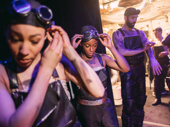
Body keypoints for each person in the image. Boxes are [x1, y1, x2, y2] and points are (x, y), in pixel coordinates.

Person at [0, 0, 105, 127]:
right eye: (15, 39)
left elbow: (98, 91)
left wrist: (70, 51)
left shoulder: (57, 63)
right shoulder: (3, 73)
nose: (24, 51)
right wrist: (46, 69)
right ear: (6, 34)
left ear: (45, 36)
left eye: (34, 41)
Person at [71, 25, 130, 127]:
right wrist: (70, 50)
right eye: (87, 45)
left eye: (94, 45)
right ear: (81, 44)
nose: (91, 49)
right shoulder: (76, 61)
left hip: (105, 106)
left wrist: (111, 47)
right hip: (86, 110)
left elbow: (125, 68)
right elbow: (63, 76)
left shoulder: (102, 58)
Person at [112, 7, 162, 127]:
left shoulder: (140, 33)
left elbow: (147, 46)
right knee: (128, 104)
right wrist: (142, 49)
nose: (134, 20)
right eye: (132, 17)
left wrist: (153, 58)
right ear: (125, 18)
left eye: (136, 18)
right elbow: (122, 51)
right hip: (127, 71)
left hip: (140, 70)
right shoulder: (118, 34)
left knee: (140, 101)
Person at [152, 27, 169, 106]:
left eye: (157, 33)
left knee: (168, 81)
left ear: (161, 32)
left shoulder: (165, 41)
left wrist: (165, 52)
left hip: (165, 63)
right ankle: (158, 98)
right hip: (157, 64)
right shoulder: (154, 42)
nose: (155, 35)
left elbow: (169, 50)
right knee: (157, 81)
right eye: (154, 33)